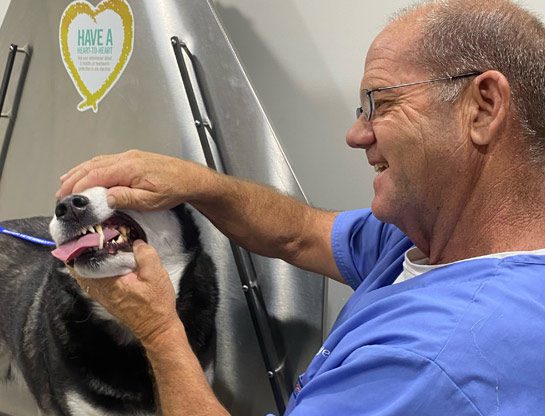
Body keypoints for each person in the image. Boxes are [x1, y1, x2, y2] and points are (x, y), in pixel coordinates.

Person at [56, 0, 545, 414]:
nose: (356, 134)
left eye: (380, 104)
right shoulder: (430, 238)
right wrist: (196, 182)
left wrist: (159, 330)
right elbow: (301, 234)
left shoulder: (430, 361)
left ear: (483, 107)